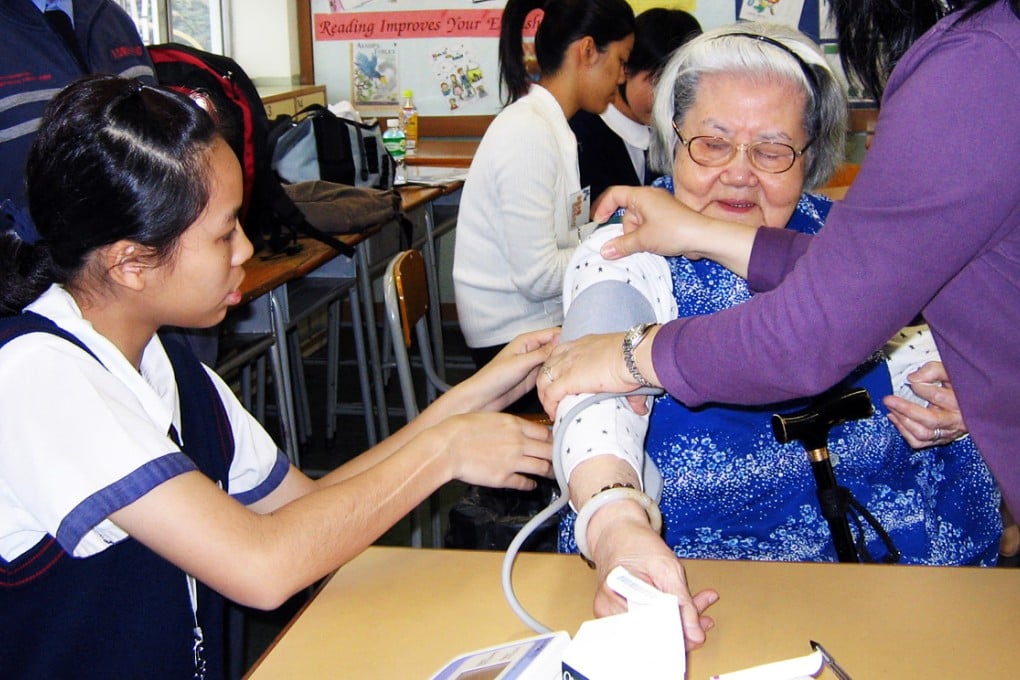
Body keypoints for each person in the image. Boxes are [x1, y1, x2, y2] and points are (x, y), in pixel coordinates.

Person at [0, 75, 556, 678]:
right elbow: (263, 566)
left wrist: (474, 397)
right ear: (132, 263)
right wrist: (445, 452)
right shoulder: (38, 379)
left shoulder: (171, 366)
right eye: (222, 233)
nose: (245, 249)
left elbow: (305, 509)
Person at [538, 0, 1020, 622]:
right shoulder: (627, 242)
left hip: (903, 572)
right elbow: (593, 406)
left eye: (772, 152)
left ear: (811, 155)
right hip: (718, 580)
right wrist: (616, 522)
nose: (738, 175)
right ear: (671, 142)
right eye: (711, 145)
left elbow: (927, 324)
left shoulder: (842, 229)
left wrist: (967, 394)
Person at [452, 0, 635, 386]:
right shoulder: (528, 133)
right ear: (587, 51)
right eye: (620, 60)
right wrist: (618, 242)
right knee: (635, 372)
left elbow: (559, 244)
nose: (621, 77)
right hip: (508, 345)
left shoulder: (551, 126)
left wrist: (607, 228)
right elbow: (537, 277)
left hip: (533, 323)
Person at [570, 8, 701, 213]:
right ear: (626, 68)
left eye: (680, 88)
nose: (668, 102)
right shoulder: (580, 136)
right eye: (659, 85)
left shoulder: (682, 135)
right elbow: (575, 224)